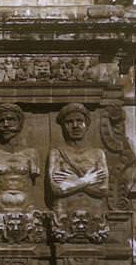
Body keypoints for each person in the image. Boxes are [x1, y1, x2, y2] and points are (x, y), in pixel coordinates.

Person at [47, 103, 110, 242]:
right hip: (63, 218)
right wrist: (87, 180)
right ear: (63, 126)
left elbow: (103, 189)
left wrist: (72, 180)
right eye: (69, 122)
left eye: (79, 121)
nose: (75, 125)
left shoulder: (97, 154)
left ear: (86, 125)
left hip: (93, 217)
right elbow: (56, 188)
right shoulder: (57, 153)